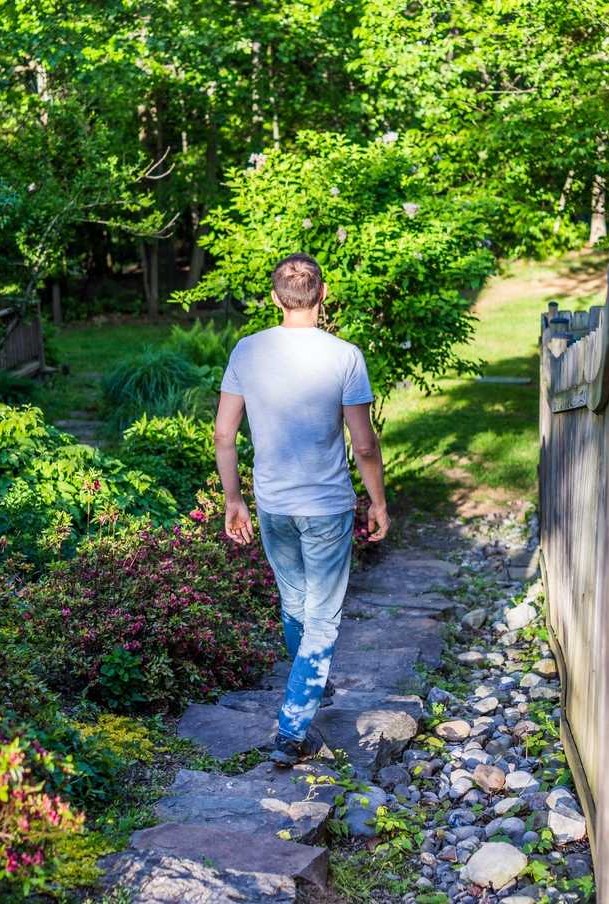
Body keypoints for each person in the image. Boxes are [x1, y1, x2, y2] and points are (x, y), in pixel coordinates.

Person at [214, 252, 390, 767]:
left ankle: (308, 685)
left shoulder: (248, 351)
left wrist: (233, 498)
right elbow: (364, 446)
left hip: (273, 504)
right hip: (327, 506)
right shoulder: (344, 356)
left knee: (296, 603)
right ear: (323, 294)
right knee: (323, 619)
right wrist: (377, 501)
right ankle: (292, 730)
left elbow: (225, 433)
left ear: (275, 298)